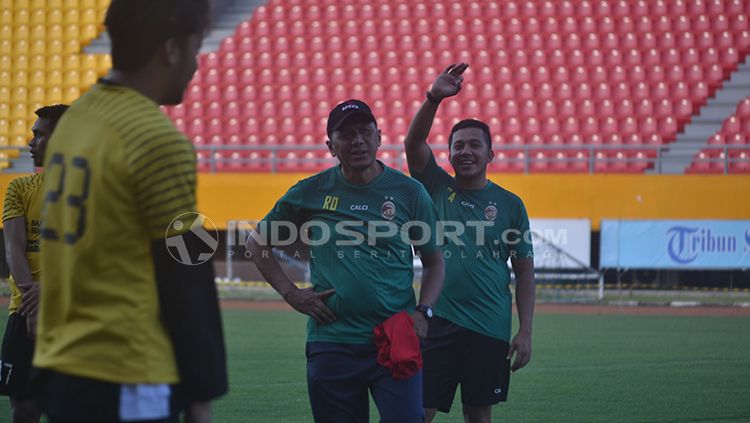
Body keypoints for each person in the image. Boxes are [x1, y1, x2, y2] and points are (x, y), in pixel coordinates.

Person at [31, 1, 227, 422]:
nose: (196, 63)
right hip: (128, 374)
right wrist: (201, 399)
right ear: (171, 49)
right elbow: (185, 277)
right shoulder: (156, 140)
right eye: (195, 47)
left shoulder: (75, 122)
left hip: (64, 367)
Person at [246, 99, 445, 423]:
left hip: (395, 334)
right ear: (330, 145)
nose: (358, 141)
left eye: (365, 132)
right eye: (346, 134)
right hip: (332, 338)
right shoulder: (310, 191)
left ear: (379, 137)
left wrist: (424, 311)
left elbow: (435, 262)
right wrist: (291, 293)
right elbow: (256, 243)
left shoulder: (409, 192)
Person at [404, 63, 536, 423]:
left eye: (475, 145)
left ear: (490, 155)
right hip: (438, 322)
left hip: (490, 327)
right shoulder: (435, 186)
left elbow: (524, 272)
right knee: (419, 411)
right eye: (458, 146)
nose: (466, 151)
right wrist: (434, 98)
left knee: (478, 414)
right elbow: (413, 143)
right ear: (448, 154)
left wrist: (524, 331)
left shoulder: (511, 205)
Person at [0, 104, 68, 423]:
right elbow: (14, 249)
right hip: (23, 313)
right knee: (23, 408)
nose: (30, 142)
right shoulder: (20, 188)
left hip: (75, 314)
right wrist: (33, 305)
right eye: (32, 134)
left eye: (39, 135)